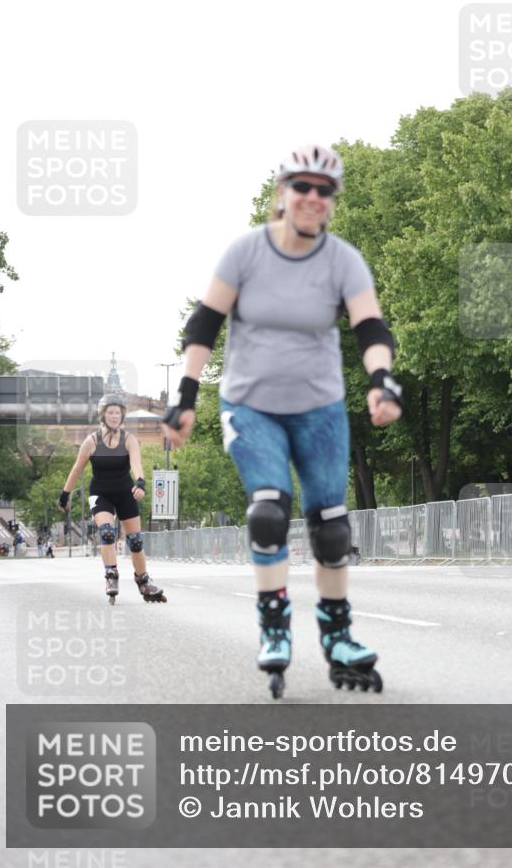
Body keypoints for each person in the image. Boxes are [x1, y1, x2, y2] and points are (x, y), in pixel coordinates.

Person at [163, 144, 402, 697]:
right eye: (302, 186)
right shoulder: (245, 253)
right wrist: (186, 395)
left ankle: (337, 637)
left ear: (331, 202)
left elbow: (371, 328)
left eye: (324, 191)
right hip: (252, 406)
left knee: (333, 525)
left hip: (319, 408)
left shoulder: (343, 260)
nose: (313, 198)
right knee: (269, 511)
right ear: (282, 193)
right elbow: (204, 323)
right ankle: (274, 629)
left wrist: (381, 380)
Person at [58, 394, 166, 604]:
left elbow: (136, 464)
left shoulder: (129, 439)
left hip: (125, 492)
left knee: (135, 541)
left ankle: (143, 581)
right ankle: (111, 576)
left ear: (122, 415)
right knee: (107, 533)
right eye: (111, 412)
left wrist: (140, 483)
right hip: (100, 493)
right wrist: (65, 495)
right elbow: (76, 469)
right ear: (103, 415)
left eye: (118, 412)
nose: (115, 416)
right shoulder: (91, 441)